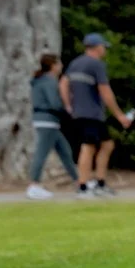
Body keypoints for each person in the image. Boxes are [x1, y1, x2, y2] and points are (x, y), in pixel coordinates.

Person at [62, 33, 132, 197]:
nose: (105, 50)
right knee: (88, 147)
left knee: (107, 145)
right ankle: (83, 186)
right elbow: (105, 91)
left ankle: (100, 183)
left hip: (80, 112)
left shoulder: (75, 63)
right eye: (103, 47)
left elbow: (63, 83)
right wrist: (119, 115)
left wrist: (68, 105)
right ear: (97, 47)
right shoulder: (96, 65)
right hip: (92, 113)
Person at [25, 52, 79, 199]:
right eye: (59, 63)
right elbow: (54, 102)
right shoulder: (49, 81)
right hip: (48, 120)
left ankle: (80, 182)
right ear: (53, 66)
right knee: (42, 153)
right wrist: (67, 106)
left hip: (45, 121)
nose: (61, 66)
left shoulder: (39, 80)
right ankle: (34, 185)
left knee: (65, 151)